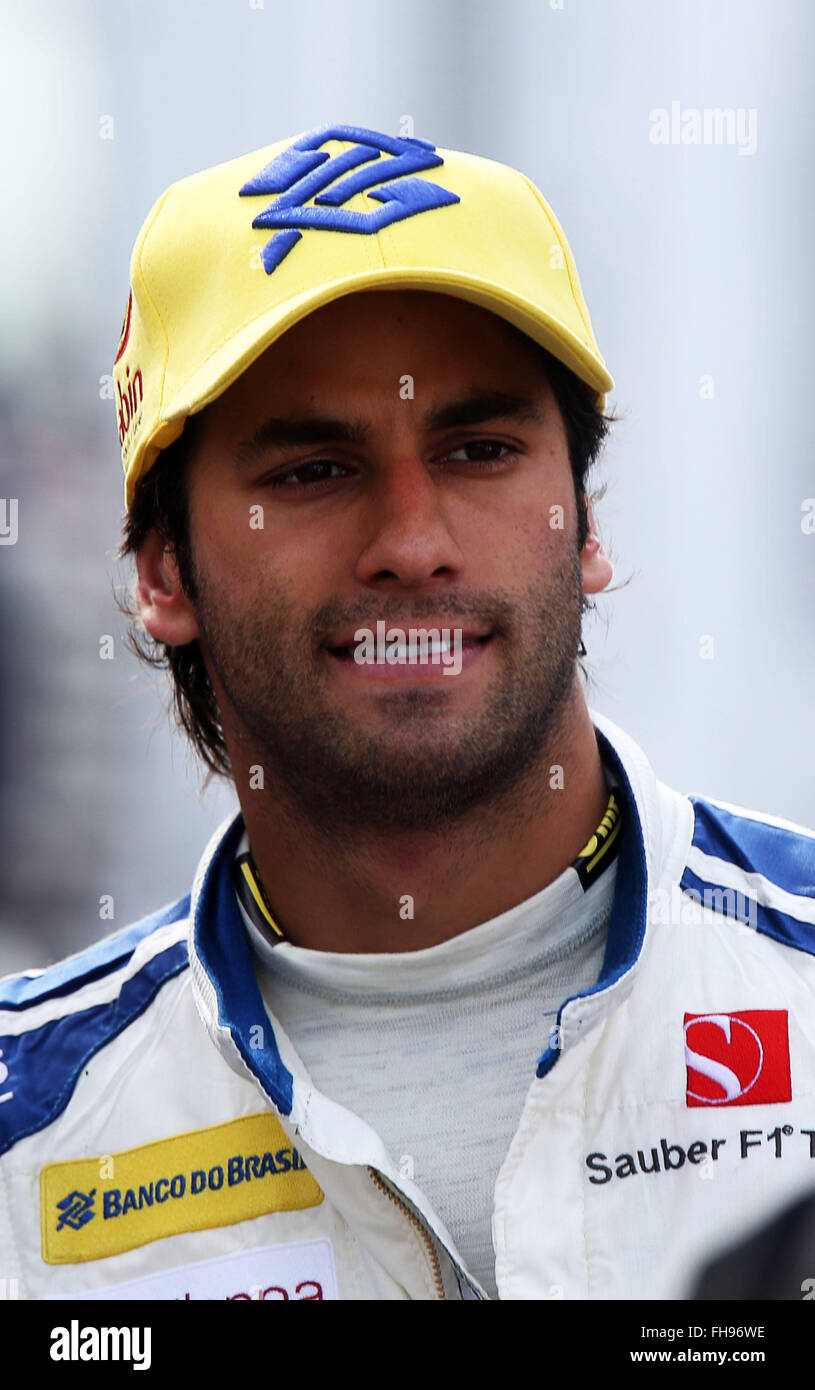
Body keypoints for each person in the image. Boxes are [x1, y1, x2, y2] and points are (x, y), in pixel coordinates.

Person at [1, 122, 813, 1302]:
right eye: (312, 471)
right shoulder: (31, 1138)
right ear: (163, 570)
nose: (414, 544)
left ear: (582, 524)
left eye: (478, 449)